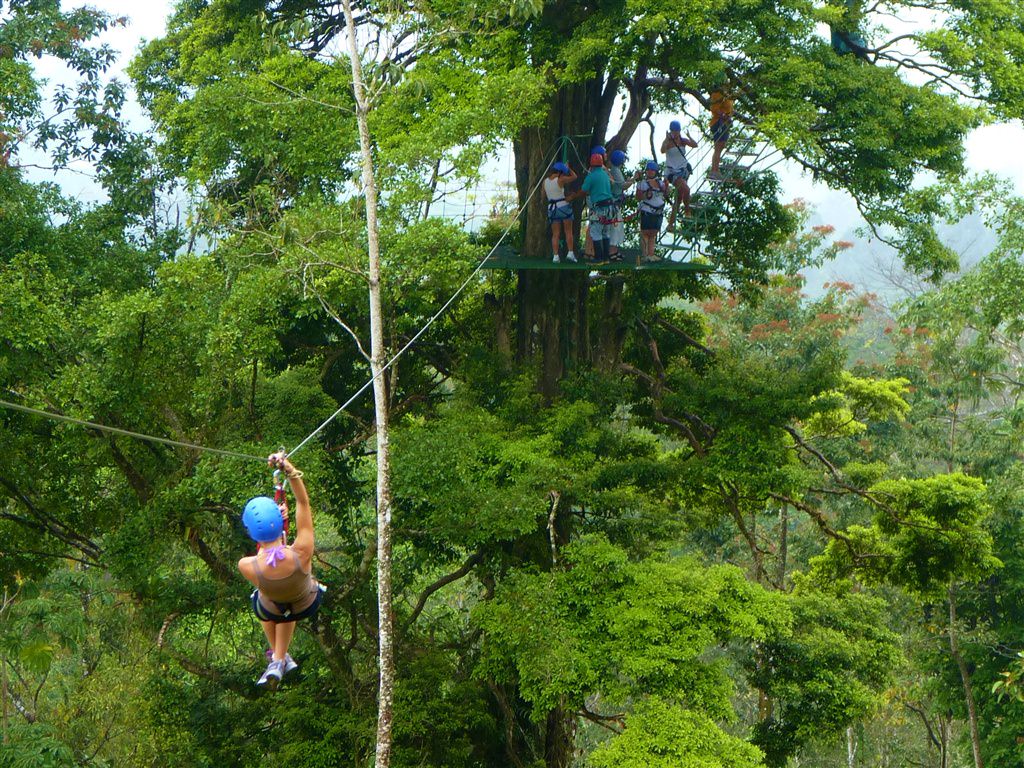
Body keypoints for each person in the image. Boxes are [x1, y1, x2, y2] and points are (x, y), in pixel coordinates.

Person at [238, 452, 325, 689]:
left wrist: (275, 532)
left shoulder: (247, 565)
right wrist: (288, 469)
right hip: (307, 603)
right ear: (279, 521)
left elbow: (266, 558)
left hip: (272, 609)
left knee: (263, 599)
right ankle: (280, 658)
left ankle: (279, 659)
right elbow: (303, 503)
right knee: (287, 604)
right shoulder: (302, 551)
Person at [660, 119, 698, 229]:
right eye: (673, 131)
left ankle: (670, 224)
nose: (675, 133)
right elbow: (662, 150)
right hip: (672, 172)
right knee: (686, 189)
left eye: (677, 131)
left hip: (683, 170)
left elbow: (695, 145)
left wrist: (689, 136)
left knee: (679, 198)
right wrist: (667, 140)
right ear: (670, 131)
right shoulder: (668, 142)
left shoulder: (682, 140)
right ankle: (687, 211)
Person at [580, 152, 615, 263]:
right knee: (606, 232)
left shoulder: (591, 176)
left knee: (596, 232)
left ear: (591, 165)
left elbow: (583, 190)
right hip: (610, 208)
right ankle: (606, 258)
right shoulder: (605, 174)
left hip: (599, 208)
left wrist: (572, 196)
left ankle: (599, 258)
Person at [636, 161, 669, 263]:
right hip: (647, 210)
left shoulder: (660, 183)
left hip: (658, 211)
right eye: (649, 170)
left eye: (652, 170)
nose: (650, 172)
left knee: (653, 233)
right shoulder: (642, 183)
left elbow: (666, 194)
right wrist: (646, 195)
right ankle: (645, 254)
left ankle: (651, 254)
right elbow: (638, 197)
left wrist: (666, 187)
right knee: (645, 232)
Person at [544, 161, 577, 263]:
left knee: (556, 234)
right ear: (561, 172)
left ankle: (555, 256)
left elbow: (543, 196)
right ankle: (570, 253)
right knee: (568, 231)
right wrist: (569, 168)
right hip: (563, 207)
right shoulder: (560, 179)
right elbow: (574, 177)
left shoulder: (545, 181)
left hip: (552, 208)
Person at [607, 149, 635, 261]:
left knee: (617, 227)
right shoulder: (616, 171)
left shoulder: (614, 170)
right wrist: (633, 179)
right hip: (614, 204)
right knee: (616, 227)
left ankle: (614, 250)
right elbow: (623, 186)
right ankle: (612, 252)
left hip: (614, 203)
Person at [708, 88, 735, 180]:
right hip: (718, 122)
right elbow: (714, 108)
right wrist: (724, 116)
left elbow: (730, 109)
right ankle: (714, 170)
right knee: (718, 147)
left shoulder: (728, 95)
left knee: (721, 146)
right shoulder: (718, 93)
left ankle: (716, 170)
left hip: (725, 123)